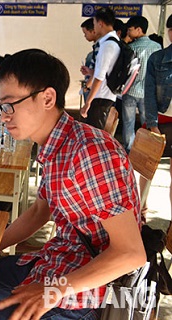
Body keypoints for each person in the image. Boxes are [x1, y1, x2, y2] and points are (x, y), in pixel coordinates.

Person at [0, 49, 145, 319]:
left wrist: (51, 291)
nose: (3, 115)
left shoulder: (90, 154)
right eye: (0, 106)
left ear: (47, 98)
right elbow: (38, 212)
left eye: (9, 104)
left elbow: (130, 253)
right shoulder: (57, 144)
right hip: (57, 261)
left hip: (83, 292)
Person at [143, 14, 172, 222]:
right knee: (146, 168)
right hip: (160, 120)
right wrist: (152, 123)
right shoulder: (158, 58)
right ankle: (141, 210)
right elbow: (149, 92)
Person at [121, 16, 161, 153]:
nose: (128, 32)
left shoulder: (131, 47)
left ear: (139, 30)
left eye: (130, 30)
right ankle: (147, 151)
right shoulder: (157, 47)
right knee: (148, 123)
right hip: (148, 94)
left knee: (128, 123)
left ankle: (130, 150)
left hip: (130, 91)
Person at [80, 7, 120, 129]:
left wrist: (88, 102)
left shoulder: (108, 45)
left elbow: (100, 76)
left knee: (95, 133)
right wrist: (91, 71)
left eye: (94, 24)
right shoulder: (111, 42)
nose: (94, 27)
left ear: (100, 23)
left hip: (101, 96)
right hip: (104, 95)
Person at [79, 18, 99, 103]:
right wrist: (88, 71)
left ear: (93, 31)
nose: (85, 36)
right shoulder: (96, 48)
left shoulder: (99, 48)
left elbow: (98, 72)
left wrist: (86, 86)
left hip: (94, 89)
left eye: (85, 33)